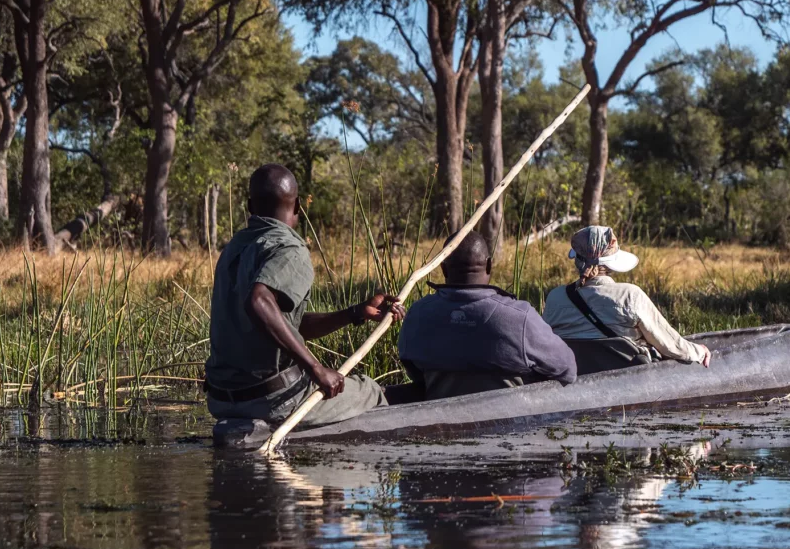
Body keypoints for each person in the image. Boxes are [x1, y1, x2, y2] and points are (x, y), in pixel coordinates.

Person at [205, 163, 405, 448]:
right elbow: (259, 303)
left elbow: (280, 324)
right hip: (269, 401)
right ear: (298, 205)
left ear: (250, 206)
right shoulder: (289, 248)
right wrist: (315, 368)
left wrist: (355, 313)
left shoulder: (235, 247)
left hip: (222, 400)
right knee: (371, 390)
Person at [397, 230, 576, 400]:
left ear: (443, 269)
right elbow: (568, 369)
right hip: (511, 426)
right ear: (489, 265)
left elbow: (414, 371)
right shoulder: (520, 317)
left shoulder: (418, 314)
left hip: (440, 425)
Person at [542, 226, 711, 375]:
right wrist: (699, 352)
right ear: (610, 264)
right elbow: (670, 345)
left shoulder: (555, 297)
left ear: (577, 260)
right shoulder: (630, 295)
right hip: (631, 381)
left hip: (575, 377)